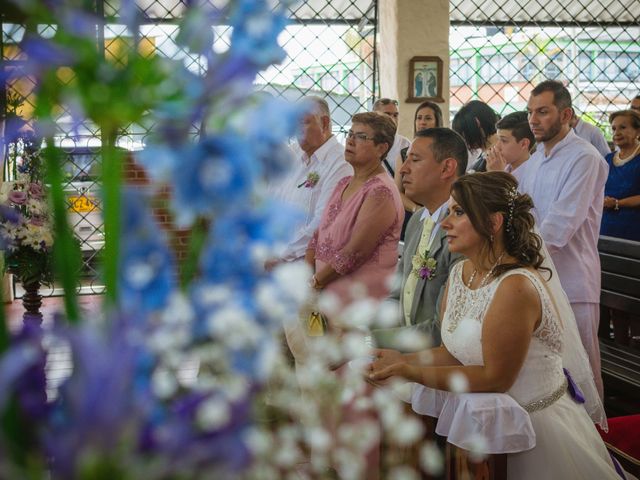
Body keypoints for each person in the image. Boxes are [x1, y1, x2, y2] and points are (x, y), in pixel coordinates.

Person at [368, 172, 619, 480]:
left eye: (458, 212)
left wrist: (409, 371)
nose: (445, 223)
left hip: (531, 432)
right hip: (488, 425)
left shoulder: (516, 287)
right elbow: (451, 352)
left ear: (493, 223)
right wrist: (398, 360)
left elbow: (495, 377)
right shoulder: (461, 274)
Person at [519, 79, 608, 399]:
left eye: (543, 112)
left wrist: (518, 260)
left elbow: (561, 224)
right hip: (537, 280)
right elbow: (519, 212)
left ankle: (597, 443)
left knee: (581, 369)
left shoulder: (585, 157)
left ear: (566, 114)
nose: (533, 119)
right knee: (548, 372)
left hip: (572, 281)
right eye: (530, 112)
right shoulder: (534, 161)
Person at [372, 128, 468, 350]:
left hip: (444, 365)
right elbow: (397, 296)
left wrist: (372, 340)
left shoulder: (465, 230)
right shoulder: (417, 220)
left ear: (447, 168)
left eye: (414, 160)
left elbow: (444, 328)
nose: (403, 169)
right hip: (409, 359)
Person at [306, 111, 404, 314]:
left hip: (360, 301)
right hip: (327, 294)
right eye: (350, 134)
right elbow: (318, 234)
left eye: (361, 137)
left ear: (381, 148)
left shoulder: (380, 191)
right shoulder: (344, 183)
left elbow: (353, 253)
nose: (350, 140)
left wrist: (315, 283)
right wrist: (308, 276)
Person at [265, 96, 352, 270]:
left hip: (305, 264)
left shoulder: (341, 163)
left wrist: (282, 256)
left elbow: (322, 222)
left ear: (324, 123)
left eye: (303, 123)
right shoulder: (295, 154)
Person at [394, 101, 444, 239]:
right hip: (412, 214)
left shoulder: (445, 152)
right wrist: (416, 209)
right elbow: (397, 191)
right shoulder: (404, 153)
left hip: (439, 213)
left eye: (428, 118)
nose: (422, 122)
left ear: (437, 122)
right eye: (419, 118)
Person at [601, 109, 640, 241]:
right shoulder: (608, 158)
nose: (617, 133)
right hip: (605, 226)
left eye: (623, 127)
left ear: (638, 131)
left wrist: (617, 203)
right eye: (614, 129)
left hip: (634, 229)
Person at [452, 100, 499, 172]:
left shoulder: (497, 154)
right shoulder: (483, 153)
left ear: (477, 123)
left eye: (464, 133)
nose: (463, 140)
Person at [486, 111, 534, 181]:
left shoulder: (533, 176)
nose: (497, 147)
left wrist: (497, 175)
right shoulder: (504, 166)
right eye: (498, 139)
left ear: (524, 144)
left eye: (504, 141)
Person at [372, 98, 411, 178]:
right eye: (387, 114)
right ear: (374, 116)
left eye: (395, 115)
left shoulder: (405, 144)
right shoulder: (367, 143)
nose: (392, 119)